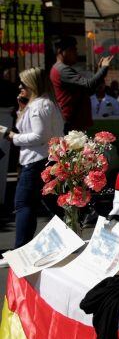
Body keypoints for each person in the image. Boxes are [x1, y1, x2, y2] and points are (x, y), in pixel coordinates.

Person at [5, 68, 64, 247]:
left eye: (23, 84)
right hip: (43, 159)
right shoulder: (43, 103)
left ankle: (21, 248)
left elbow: (39, 136)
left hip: (35, 161)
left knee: (23, 204)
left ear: (32, 84)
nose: (20, 87)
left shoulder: (40, 105)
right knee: (52, 204)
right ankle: (67, 238)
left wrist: (14, 137)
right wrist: (22, 110)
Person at [50, 35, 113, 131]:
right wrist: (104, 68)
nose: (76, 53)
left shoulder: (62, 69)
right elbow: (88, 85)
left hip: (74, 124)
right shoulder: (62, 70)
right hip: (71, 125)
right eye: (73, 50)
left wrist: (100, 71)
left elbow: (87, 90)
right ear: (60, 51)